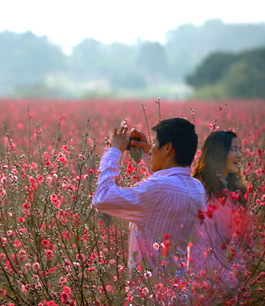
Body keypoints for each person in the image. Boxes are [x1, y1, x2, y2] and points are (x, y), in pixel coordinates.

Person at [93, 118, 206, 277]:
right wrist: (149, 154)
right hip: (178, 289)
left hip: (148, 293)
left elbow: (102, 197)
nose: (151, 148)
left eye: (154, 143)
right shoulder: (197, 188)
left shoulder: (157, 189)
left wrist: (114, 151)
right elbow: (166, 188)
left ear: (167, 148)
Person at [189, 130, 252, 295]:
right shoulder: (197, 189)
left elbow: (246, 241)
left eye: (240, 150)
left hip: (232, 284)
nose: (239, 155)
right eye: (234, 150)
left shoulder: (239, 194)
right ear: (219, 152)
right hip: (201, 284)